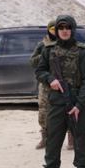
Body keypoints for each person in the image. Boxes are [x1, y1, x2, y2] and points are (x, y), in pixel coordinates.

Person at [32, 14, 85, 168]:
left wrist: (79, 105)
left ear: (72, 29)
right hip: (56, 102)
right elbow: (39, 70)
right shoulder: (49, 50)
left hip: (77, 103)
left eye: (67, 28)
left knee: (81, 141)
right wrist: (50, 79)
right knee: (53, 141)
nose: (64, 31)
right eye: (61, 28)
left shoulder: (83, 51)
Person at [30, 20, 58, 150]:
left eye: (56, 29)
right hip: (46, 84)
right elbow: (32, 62)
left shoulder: (66, 44)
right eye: (52, 29)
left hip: (62, 83)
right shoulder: (42, 45)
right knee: (43, 111)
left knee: (67, 110)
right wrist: (45, 55)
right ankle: (45, 137)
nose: (55, 32)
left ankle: (71, 137)